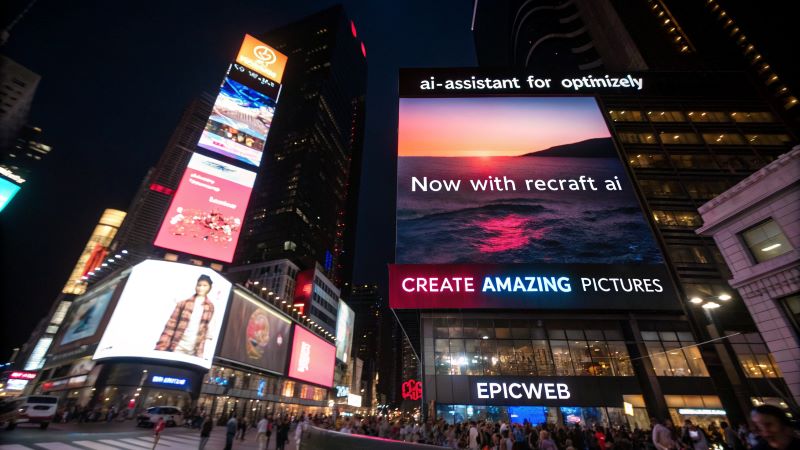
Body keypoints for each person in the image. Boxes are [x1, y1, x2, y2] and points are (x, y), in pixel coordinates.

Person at [154, 275, 217, 357]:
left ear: (209, 288)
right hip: (177, 347)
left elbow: (208, 332)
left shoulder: (210, 307)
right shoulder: (184, 303)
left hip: (194, 351)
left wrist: (204, 353)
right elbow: (170, 326)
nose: (201, 288)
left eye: (204, 286)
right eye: (199, 285)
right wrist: (161, 347)